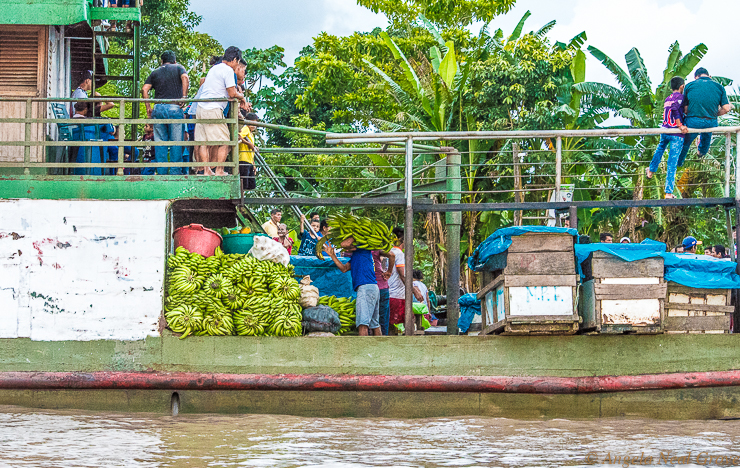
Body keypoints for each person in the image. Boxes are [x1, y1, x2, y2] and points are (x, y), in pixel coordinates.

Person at [195, 46, 251, 176]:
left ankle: (206, 170)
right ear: (235, 60)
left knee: (203, 141)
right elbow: (232, 92)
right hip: (213, 108)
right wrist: (242, 97)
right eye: (238, 62)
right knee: (225, 141)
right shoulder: (228, 71)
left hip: (201, 107)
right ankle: (219, 170)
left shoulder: (214, 68)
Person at [142, 50, 189, 175]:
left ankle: (162, 173)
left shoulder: (155, 72)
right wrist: (184, 97)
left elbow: (144, 89)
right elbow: (185, 77)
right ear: (174, 61)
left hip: (158, 108)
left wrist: (148, 108)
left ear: (162, 61)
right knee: (176, 143)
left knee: (160, 143)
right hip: (174, 107)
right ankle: (175, 174)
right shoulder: (179, 67)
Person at [677, 68, 734, 168]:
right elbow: (726, 108)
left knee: (685, 143)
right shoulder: (719, 86)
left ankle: (679, 163)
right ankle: (701, 153)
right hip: (710, 122)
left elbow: (685, 109)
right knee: (707, 132)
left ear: (696, 77)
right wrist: (714, 114)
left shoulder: (689, 86)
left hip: (693, 121)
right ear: (709, 76)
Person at [323, 238, 381, 336]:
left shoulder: (362, 247)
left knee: (363, 324)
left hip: (365, 288)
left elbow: (344, 243)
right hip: (372, 288)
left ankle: (363, 350)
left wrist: (350, 235)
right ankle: (380, 349)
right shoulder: (356, 256)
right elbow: (344, 268)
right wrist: (332, 256)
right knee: (374, 324)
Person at [646, 77, 689, 199]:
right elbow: (675, 108)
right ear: (682, 86)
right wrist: (680, 125)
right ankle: (668, 192)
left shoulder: (667, 98)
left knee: (660, 150)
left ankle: (651, 170)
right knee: (672, 162)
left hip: (665, 130)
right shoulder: (680, 98)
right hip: (676, 133)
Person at [387, 227, 407, 331]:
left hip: (389, 292)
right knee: (404, 323)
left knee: (389, 324)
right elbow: (402, 274)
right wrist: (413, 290)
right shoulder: (399, 254)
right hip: (397, 295)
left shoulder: (388, 252)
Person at [372, 249, 394, 335]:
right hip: (382, 286)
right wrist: (389, 272)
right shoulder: (375, 248)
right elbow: (391, 255)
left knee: (370, 320)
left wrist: (389, 272)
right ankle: (383, 342)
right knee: (383, 319)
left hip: (370, 287)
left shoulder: (357, 248)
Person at [238, 112, 259, 191]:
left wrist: (253, 163)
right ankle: (241, 199)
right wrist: (248, 144)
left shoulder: (251, 133)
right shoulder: (245, 129)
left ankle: (242, 198)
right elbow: (239, 136)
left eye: (255, 124)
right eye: (252, 123)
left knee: (251, 184)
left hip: (249, 161)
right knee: (244, 184)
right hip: (243, 159)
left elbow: (251, 146)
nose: (254, 126)